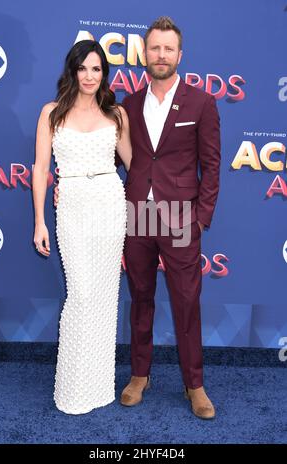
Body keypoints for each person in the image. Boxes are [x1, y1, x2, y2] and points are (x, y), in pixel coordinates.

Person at [55, 16, 221, 420]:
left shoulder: (201, 102)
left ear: (180, 55)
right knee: (140, 298)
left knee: (186, 301)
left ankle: (194, 384)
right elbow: (104, 153)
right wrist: (72, 180)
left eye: (168, 49)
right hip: (134, 214)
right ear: (143, 54)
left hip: (180, 214)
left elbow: (212, 165)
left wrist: (200, 217)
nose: (161, 55)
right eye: (154, 48)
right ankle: (139, 375)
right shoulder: (126, 104)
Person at [32, 40, 132, 414]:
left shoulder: (116, 114)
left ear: (104, 73)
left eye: (97, 69)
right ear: (72, 70)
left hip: (109, 201)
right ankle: (73, 387)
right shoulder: (52, 113)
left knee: (104, 298)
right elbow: (41, 169)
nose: (90, 76)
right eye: (83, 68)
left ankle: (99, 385)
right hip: (72, 202)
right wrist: (39, 220)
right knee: (82, 294)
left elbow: (135, 165)